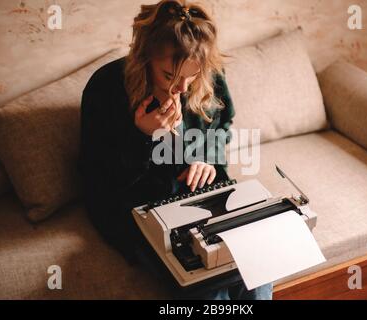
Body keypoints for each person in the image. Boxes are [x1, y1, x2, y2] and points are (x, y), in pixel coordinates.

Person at [78, 0, 272, 300]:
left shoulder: (209, 76)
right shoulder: (106, 87)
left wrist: (207, 158)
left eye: (191, 76)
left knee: (257, 264)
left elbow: (222, 124)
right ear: (145, 58)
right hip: (138, 206)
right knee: (207, 286)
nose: (182, 88)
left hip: (202, 193)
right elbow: (98, 179)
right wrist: (144, 136)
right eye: (169, 75)